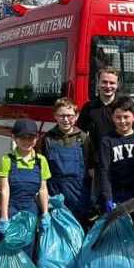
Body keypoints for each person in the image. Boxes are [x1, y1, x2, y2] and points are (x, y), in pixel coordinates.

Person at [0, 118, 51, 258]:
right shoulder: (7, 160)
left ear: (37, 138)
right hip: (11, 208)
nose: (27, 141)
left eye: (31, 137)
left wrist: (45, 214)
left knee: (26, 249)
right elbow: (5, 190)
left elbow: (43, 190)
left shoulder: (41, 161)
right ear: (14, 137)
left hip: (30, 211)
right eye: (22, 137)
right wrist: (4, 217)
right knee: (6, 250)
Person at [38, 97, 93, 227]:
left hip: (78, 195)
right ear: (55, 116)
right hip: (54, 195)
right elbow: (40, 170)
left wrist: (94, 194)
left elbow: (91, 168)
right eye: (61, 115)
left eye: (69, 115)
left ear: (76, 116)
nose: (66, 119)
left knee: (79, 232)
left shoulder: (84, 139)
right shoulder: (46, 139)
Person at [98, 96, 134, 214]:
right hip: (116, 194)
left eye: (126, 117)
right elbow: (105, 171)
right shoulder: (107, 141)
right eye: (118, 117)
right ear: (112, 118)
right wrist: (107, 198)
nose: (122, 121)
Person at [79, 66, 120, 159]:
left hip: (119, 162)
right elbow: (80, 137)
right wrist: (89, 165)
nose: (108, 86)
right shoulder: (88, 107)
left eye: (112, 83)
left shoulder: (124, 106)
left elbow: (132, 136)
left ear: (117, 84)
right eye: (104, 82)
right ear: (97, 83)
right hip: (96, 162)